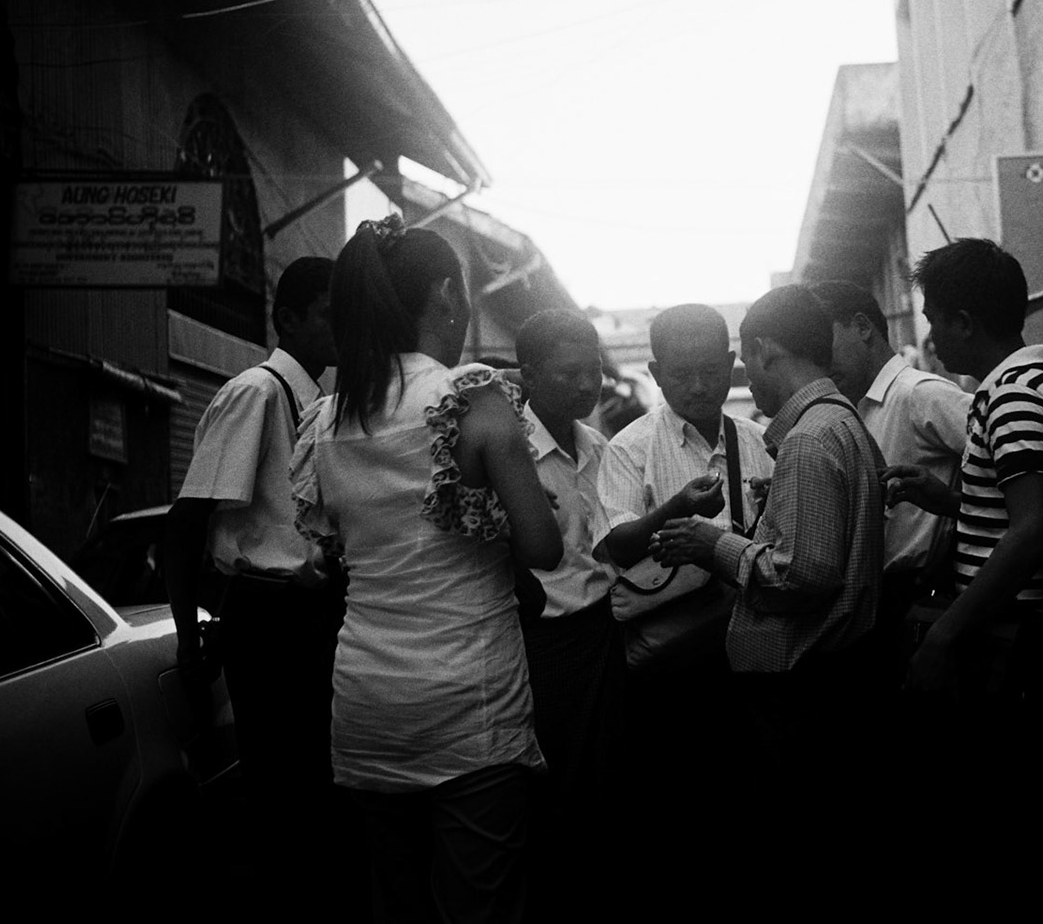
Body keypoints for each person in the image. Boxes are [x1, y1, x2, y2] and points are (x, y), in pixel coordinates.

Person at [292, 217, 562, 923]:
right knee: (479, 913)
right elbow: (543, 545)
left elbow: (334, 550)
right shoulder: (469, 398)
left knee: (397, 908)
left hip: (365, 699)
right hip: (468, 701)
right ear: (446, 293)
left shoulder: (328, 418)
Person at [885, 238, 1043, 912]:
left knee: (1010, 830)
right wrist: (951, 499)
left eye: (933, 319)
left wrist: (944, 635)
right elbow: (1035, 513)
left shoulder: (1010, 399)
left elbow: (1032, 532)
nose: (929, 337)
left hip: (1022, 646)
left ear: (964, 322)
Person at [651, 284, 884, 897]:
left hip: (804, 688)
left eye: (744, 363)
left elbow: (802, 574)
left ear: (763, 350)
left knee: (794, 846)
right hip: (837, 677)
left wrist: (714, 545)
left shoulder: (808, 438)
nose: (744, 381)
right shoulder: (841, 421)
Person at [164, 255, 346, 909]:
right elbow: (187, 521)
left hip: (311, 615)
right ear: (288, 319)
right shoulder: (257, 393)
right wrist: (189, 638)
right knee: (280, 785)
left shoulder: (317, 403)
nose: (340, 328)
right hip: (270, 618)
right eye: (328, 314)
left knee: (315, 782)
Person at [593, 304, 771, 789]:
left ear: (731, 364)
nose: (697, 387)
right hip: (671, 661)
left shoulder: (761, 443)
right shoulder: (629, 448)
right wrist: (674, 509)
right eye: (680, 375)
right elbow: (618, 547)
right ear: (656, 373)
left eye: (710, 372)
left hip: (751, 655)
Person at [512, 308, 624, 918]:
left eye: (594, 371)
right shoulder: (510, 451)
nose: (587, 385)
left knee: (599, 779)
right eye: (569, 373)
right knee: (548, 780)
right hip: (538, 641)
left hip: (601, 632)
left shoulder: (599, 448)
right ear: (529, 375)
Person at [810, 278, 969, 678]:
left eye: (823, 344)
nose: (819, 363)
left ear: (862, 327)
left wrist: (954, 507)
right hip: (878, 604)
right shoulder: (855, 408)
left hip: (922, 597)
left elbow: (1012, 475)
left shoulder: (921, 393)